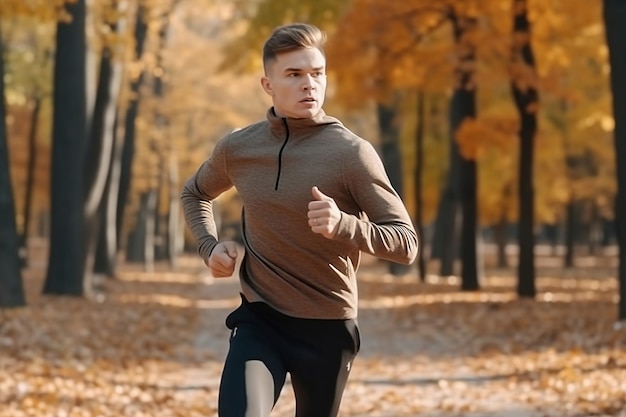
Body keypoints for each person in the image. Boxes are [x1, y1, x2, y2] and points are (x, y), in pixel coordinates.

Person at [181, 22, 419, 417]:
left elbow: (406, 244)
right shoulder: (239, 148)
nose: (309, 84)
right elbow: (194, 192)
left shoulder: (351, 154)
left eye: (317, 73)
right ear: (268, 84)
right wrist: (209, 248)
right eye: (294, 74)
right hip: (260, 319)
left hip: (327, 324)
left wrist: (344, 225)